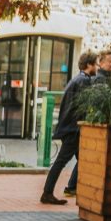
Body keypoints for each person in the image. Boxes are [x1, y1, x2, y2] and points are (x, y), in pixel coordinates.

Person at [41, 51, 99, 205]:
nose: (97, 67)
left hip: (71, 129)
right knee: (62, 162)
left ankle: (76, 189)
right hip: (74, 130)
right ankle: (47, 193)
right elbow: (85, 108)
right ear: (89, 65)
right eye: (95, 64)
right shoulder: (83, 81)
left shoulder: (78, 79)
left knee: (86, 161)